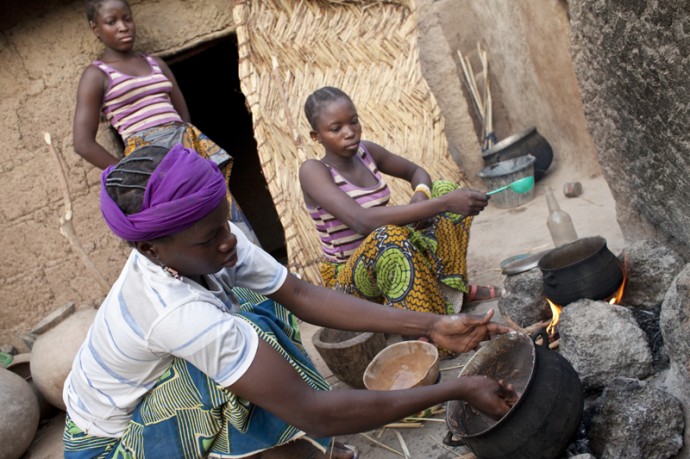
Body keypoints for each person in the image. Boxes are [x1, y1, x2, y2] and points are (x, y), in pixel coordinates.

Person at [62, 144, 516, 458]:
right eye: (210, 238)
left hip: (164, 376)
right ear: (150, 250)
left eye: (225, 223)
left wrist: (432, 325)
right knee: (237, 358)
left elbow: (298, 293)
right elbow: (311, 407)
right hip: (112, 442)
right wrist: (458, 388)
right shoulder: (173, 312)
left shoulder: (211, 241)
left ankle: (296, 448)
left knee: (258, 304)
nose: (228, 242)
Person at [299, 87, 501, 351]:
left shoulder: (367, 153)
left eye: (353, 121)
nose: (349, 132)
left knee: (444, 189)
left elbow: (417, 172)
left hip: (389, 249)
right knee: (390, 236)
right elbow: (361, 221)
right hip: (350, 281)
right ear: (317, 136)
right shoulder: (313, 171)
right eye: (335, 129)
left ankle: (453, 293)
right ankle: (427, 333)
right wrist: (437, 206)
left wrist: (422, 195)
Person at [73, 0, 258, 243]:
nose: (123, 27)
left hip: (185, 146)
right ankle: (219, 281)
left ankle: (253, 271)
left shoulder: (155, 64)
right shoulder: (97, 75)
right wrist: (131, 171)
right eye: (111, 22)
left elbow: (182, 118)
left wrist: (185, 149)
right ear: (96, 28)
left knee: (221, 207)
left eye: (127, 18)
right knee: (186, 226)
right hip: (149, 159)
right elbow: (82, 143)